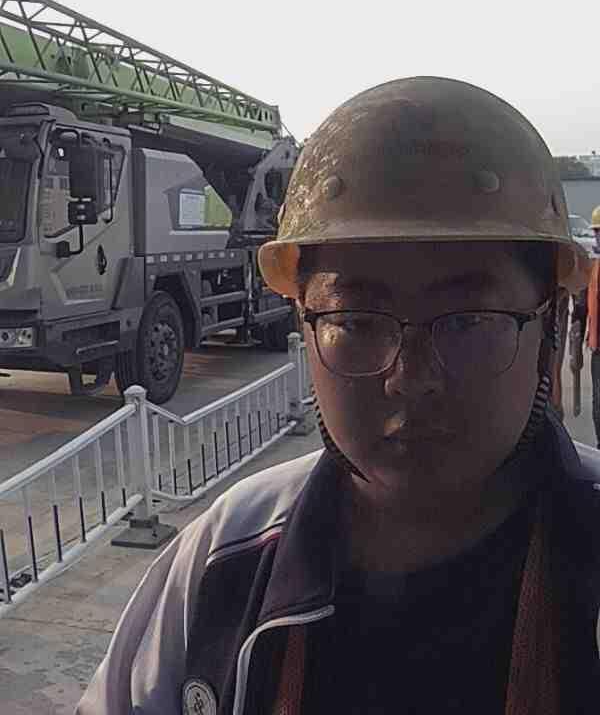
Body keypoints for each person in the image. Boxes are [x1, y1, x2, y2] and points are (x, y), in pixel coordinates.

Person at [78, 78, 599, 715]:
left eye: (469, 320)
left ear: (551, 322)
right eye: (354, 321)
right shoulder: (226, 559)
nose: (410, 377)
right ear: (305, 323)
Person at [570, 206, 600, 443]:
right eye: (597, 233)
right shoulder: (593, 268)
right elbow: (581, 307)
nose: (598, 238)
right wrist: (576, 341)